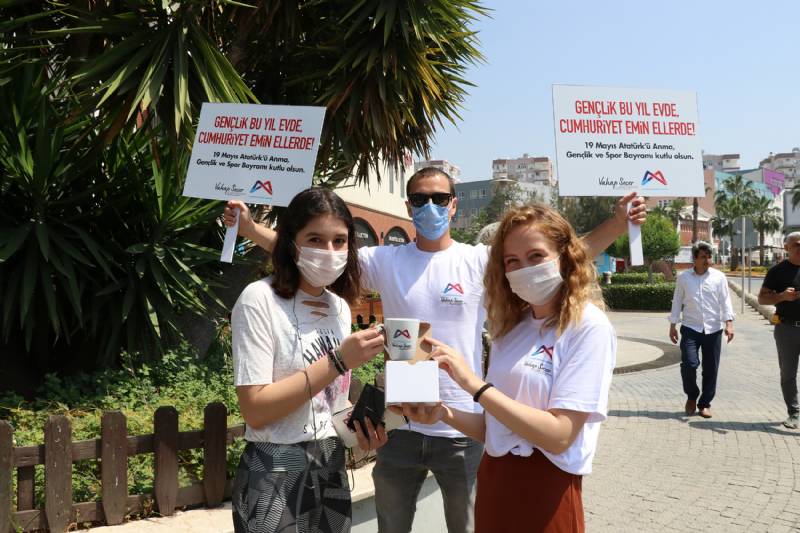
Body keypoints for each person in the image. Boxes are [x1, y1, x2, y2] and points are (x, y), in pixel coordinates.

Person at [224, 168, 645, 533]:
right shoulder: (385, 260)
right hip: (402, 422)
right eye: (420, 199)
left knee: (466, 525)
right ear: (408, 206)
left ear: (454, 205)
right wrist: (249, 229)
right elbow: (320, 252)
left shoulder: (480, 260)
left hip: (462, 426)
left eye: (439, 198)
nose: (430, 206)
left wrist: (616, 223)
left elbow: (560, 255)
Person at [395, 203, 617, 532]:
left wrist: (476, 387)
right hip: (495, 480)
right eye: (512, 261)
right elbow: (496, 428)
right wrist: (444, 414)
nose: (523, 268)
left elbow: (559, 436)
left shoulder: (587, 327)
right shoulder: (511, 329)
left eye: (536, 256)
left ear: (565, 256)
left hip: (547, 488)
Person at [230, 188, 388, 533]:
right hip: (274, 468)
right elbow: (255, 408)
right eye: (314, 238)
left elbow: (328, 403)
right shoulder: (259, 300)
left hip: (330, 464)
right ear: (291, 241)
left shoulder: (339, 307)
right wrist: (337, 360)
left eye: (339, 241)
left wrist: (360, 430)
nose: (328, 251)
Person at [668, 241, 735, 419]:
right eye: (703, 257)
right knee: (689, 364)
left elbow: (725, 301)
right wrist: (672, 326)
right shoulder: (684, 278)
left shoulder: (719, 277)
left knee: (711, 368)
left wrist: (729, 323)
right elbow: (677, 301)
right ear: (695, 259)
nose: (707, 260)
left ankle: (705, 404)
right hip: (690, 327)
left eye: (709, 256)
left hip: (713, 328)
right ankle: (691, 396)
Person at [758, 232, 800, 429]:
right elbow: (762, 298)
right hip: (786, 329)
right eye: (796, 244)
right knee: (788, 374)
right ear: (787, 248)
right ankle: (794, 413)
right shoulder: (777, 271)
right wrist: (782, 296)